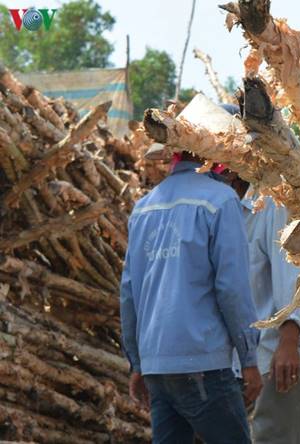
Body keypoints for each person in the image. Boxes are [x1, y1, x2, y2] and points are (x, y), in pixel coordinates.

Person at [120, 95, 262, 444]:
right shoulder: (221, 201)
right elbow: (231, 289)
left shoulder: (143, 208)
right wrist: (249, 359)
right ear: (221, 153)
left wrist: (138, 363)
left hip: (158, 367)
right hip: (203, 366)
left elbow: (129, 294)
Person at [215, 103, 300, 444]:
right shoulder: (222, 207)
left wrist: (288, 342)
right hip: (237, 356)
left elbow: (292, 275)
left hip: (276, 354)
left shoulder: (272, 201)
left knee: (275, 437)